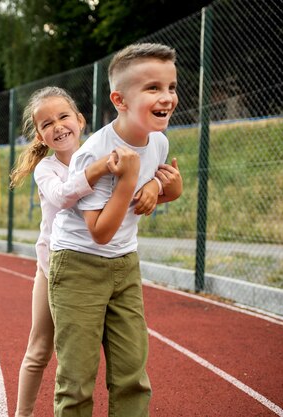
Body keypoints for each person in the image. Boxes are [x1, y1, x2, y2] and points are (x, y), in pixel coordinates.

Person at [9, 86, 166, 417]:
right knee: (39, 349)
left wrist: (155, 184)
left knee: (117, 361)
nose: (58, 126)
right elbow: (65, 195)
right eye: (47, 123)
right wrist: (101, 168)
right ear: (39, 136)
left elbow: (140, 183)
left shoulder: (100, 150)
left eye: (64, 116)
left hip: (102, 267)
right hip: (53, 269)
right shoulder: (46, 169)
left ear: (80, 121)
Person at [48, 43, 183, 417]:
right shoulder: (95, 152)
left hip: (125, 264)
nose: (167, 97)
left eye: (171, 87)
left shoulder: (158, 140)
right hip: (79, 265)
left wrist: (156, 186)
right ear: (120, 100)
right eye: (153, 88)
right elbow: (101, 231)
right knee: (76, 380)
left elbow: (168, 190)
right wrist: (128, 179)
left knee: (131, 374)